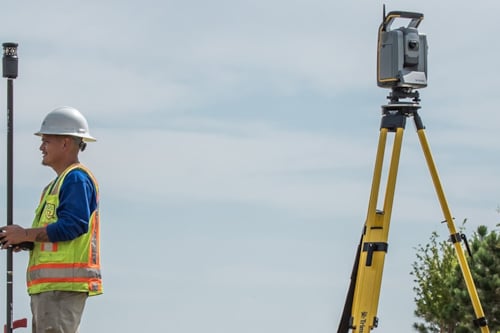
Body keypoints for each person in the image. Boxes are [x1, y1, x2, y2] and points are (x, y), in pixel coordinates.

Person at [0, 106, 102, 333]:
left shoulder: (75, 179)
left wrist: (26, 234)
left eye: (46, 141)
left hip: (62, 288)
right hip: (51, 289)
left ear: (65, 143)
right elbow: (57, 232)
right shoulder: (57, 184)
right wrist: (27, 241)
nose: (41, 147)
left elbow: (73, 225)